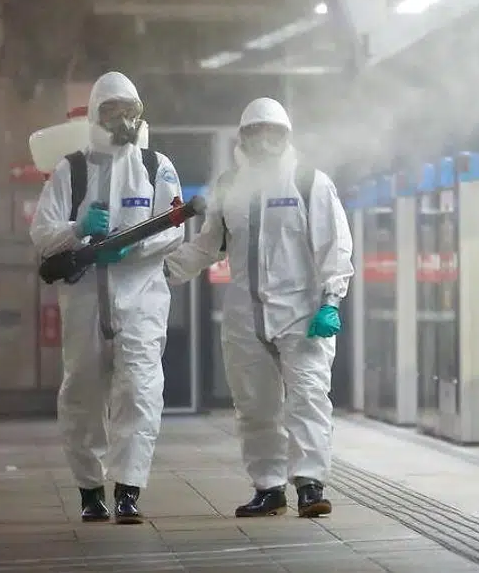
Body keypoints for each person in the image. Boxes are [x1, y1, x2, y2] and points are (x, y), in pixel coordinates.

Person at [166, 98, 354, 519]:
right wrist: (162, 271)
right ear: (243, 138)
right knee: (254, 405)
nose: (264, 142)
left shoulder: (309, 182)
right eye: (255, 133)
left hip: (302, 314)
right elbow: (207, 247)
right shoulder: (230, 187)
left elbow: (335, 246)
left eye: (273, 133)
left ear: (286, 137)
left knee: (308, 398)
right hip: (244, 316)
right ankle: (269, 488)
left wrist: (331, 300)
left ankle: (310, 484)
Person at [30, 72, 184, 524]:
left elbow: (174, 229)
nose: (122, 119)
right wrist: (77, 230)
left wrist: (131, 247)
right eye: (112, 110)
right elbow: (42, 233)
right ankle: (90, 490)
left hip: (141, 302)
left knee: (140, 390)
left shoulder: (156, 166)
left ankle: (128, 490)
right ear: (96, 115)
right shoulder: (72, 170)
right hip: (84, 302)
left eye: (129, 110)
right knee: (83, 393)